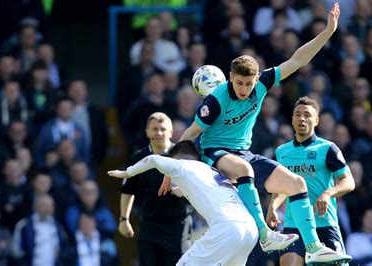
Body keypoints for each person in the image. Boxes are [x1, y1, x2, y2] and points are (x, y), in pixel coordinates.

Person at [160, 2, 350, 263]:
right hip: (214, 152)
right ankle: (265, 234)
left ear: (257, 78)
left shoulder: (262, 84)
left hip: (243, 153)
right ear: (230, 77)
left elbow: (298, 59)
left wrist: (328, 32)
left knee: (297, 183)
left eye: (249, 83)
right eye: (239, 83)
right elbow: (190, 133)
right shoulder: (216, 100)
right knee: (245, 171)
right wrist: (172, 169)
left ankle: (315, 247)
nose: (244, 88)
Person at [108, 140, 259, 265]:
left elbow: (152, 159)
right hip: (250, 231)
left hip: (227, 230)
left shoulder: (182, 165)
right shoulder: (210, 171)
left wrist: (128, 172)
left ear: (174, 159)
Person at [267, 96, 355, 265]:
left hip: (324, 223)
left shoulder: (328, 148)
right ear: (292, 119)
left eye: (307, 115)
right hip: (294, 226)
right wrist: (273, 206)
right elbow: (282, 187)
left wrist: (328, 194)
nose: (302, 118)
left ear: (316, 121)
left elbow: (348, 181)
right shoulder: (282, 152)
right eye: (298, 114)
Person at [118, 112, 192, 266]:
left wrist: (184, 191)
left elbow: (200, 187)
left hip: (178, 228)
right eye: (154, 129)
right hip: (149, 227)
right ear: (147, 132)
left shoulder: (184, 157)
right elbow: (128, 190)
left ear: (171, 132)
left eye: (163, 129)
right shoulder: (138, 158)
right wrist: (124, 219)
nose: (159, 133)